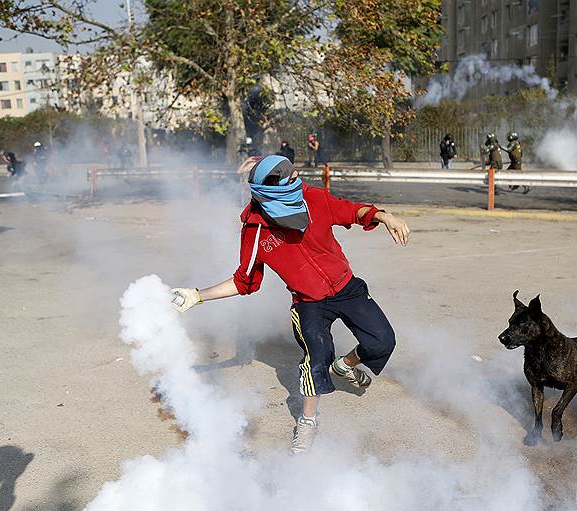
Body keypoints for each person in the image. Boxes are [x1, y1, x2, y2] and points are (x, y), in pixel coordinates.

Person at [171, 155, 410, 454]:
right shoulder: (256, 231)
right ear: (273, 191)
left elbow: (352, 211)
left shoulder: (313, 198)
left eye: (297, 175)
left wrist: (384, 216)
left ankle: (345, 366)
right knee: (315, 360)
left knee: (382, 341)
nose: (299, 182)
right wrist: (197, 295)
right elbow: (245, 281)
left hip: (346, 287)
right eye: (291, 179)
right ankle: (307, 422)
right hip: (308, 303)